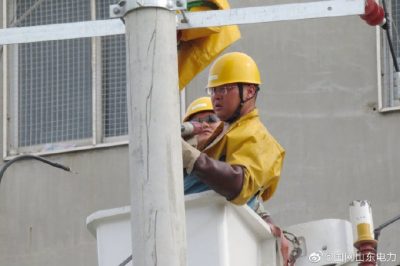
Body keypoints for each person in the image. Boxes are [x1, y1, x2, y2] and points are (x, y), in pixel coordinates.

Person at [181, 52, 285, 206]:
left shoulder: (258, 135)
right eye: (213, 90)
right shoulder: (224, 131)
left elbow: (239, 184)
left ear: (249, 92)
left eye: (224, 89)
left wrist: (190, 156)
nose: (216, 96)